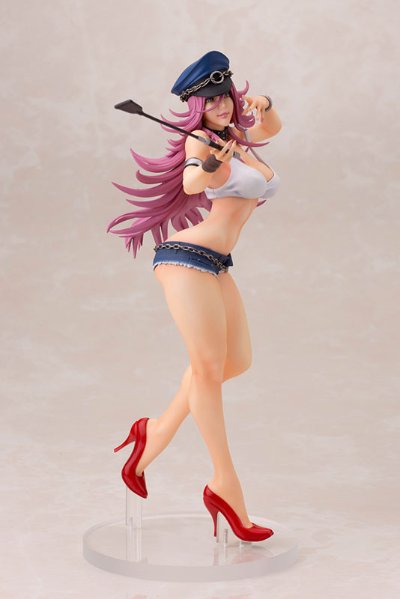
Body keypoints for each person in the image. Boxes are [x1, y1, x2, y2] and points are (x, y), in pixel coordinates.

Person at [109, 50, 282, 543]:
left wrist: (264, 104)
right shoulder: (204, 142)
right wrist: (208, 163)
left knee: (235, 362)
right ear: (195, 108)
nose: (221, 107)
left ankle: (154, 433)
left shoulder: (236, 138)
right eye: (210, 102)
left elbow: (273, 127)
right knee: (208, 370)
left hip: (216, 263)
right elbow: (191, 181)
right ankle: (225, 485)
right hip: (185, 258)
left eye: (224, 97)